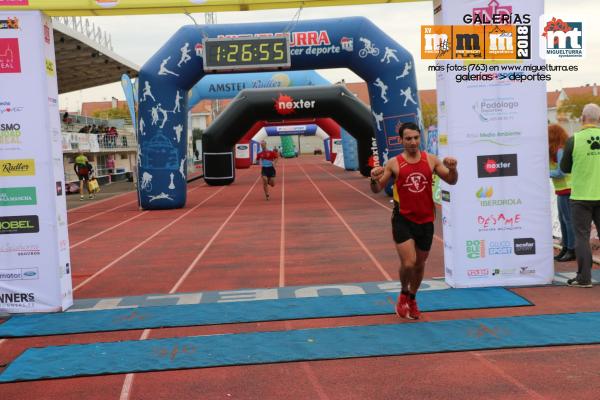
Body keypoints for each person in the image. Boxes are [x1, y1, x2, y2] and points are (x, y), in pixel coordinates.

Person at [370, 122, 458, 319]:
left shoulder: (431, 160)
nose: (412, 142)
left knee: (419, 265)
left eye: (416, 138)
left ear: (421, 138)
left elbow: (452, 180)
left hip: (426, 220)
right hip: (403, 219)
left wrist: (453, 169)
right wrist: (374, 179)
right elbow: (376, 189)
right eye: (408, 138)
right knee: (409, 263)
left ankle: (412, 297)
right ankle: (403, 292)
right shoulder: (394, 163)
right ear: (401, 140)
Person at [561, 103, 600, 288]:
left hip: (581, 196)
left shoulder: (573, 139)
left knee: (582, 237)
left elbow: (564, 168)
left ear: (582, 118)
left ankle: (584, 279)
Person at [549, 124, 576, 262]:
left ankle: (571, 249)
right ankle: (566, 247)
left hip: (567, 189)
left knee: (568, 220)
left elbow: (561, 172)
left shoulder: (560, 150)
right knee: (563, 220)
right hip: (562, 190)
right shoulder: (557, 150)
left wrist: (546, 173)